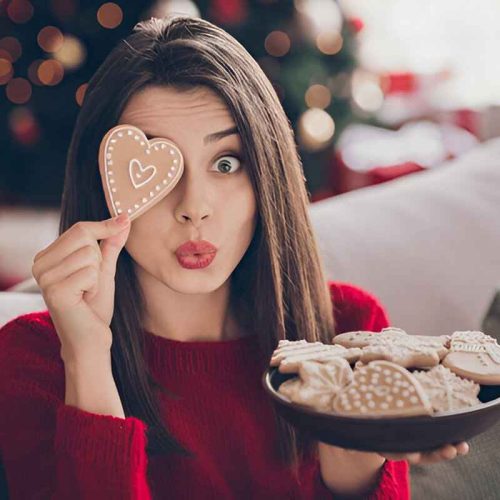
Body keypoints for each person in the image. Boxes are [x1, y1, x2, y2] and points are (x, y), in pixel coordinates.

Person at [0, 15, 468, 499]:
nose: (194, 208)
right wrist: (88, 360)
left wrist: (353, 468)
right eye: (158, 171)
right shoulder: (35, 360)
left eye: (226, 163)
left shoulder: (350, 333)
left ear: (267, 175)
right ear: (102, 184)